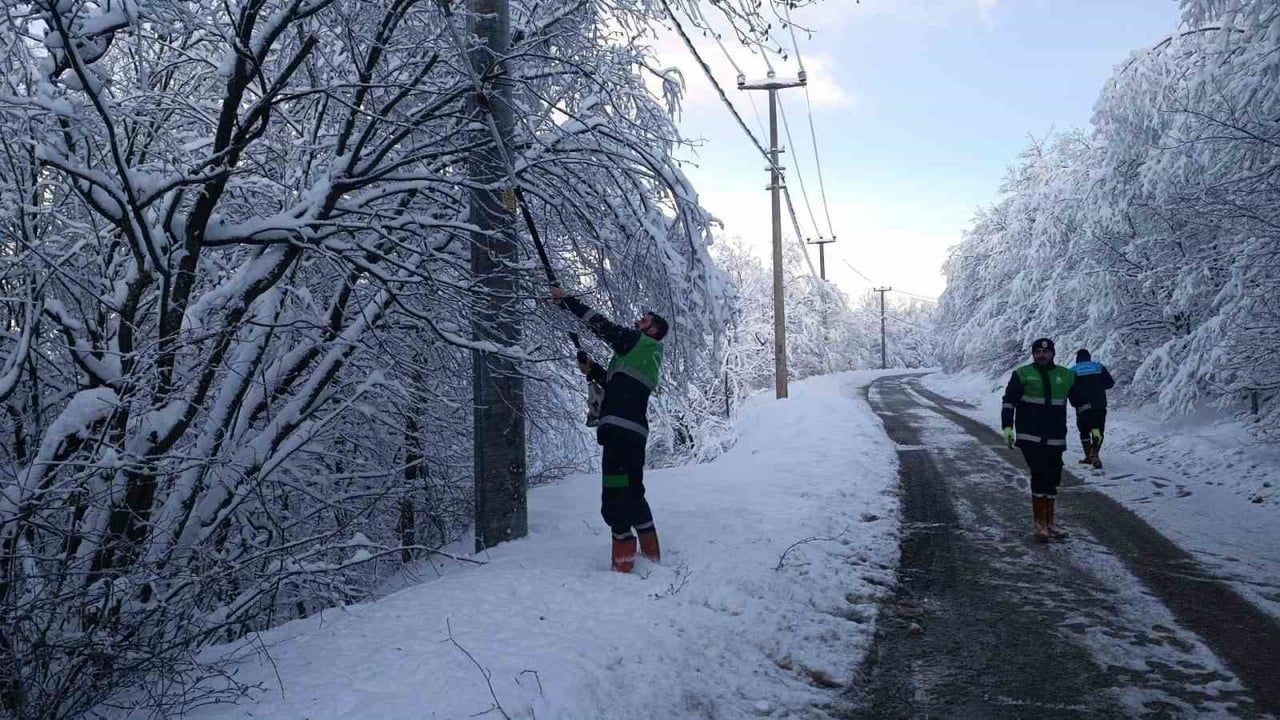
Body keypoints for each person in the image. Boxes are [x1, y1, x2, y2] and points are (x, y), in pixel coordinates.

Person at [551, 286, 669, 572]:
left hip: (618, 432)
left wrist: (568, 302)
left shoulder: (638, 343)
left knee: (614, 496)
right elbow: (617, 386)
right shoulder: (647, 356)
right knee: (633, 491)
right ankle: (651, 554)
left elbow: (601, 326)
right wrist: (592, 369)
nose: (637, 322)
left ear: (652, 331)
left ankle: (623, 564)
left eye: (644, 321)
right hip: (635, 433)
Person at [1000, 338, 1081, 543]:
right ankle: (1040, 524)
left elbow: (1081, 402)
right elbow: (1009, 402)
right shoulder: (1022, 374)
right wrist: (1007, 427)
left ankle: (1050, 523)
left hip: (1055, 436)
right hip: (1030, 436)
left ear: (1052, 353)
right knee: (1040, 474)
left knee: (1053, 478)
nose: (1041, 355)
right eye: (1037, 352)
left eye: (1045, 352)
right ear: (1033, 354)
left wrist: (1094, 426)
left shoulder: (1066, 375)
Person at [1069, 349, 1115, 469]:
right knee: (1097, 430)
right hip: (1098, 406)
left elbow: (1068, 388)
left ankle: (1088, 456)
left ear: (1077, 358)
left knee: (1084, 431)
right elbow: (1110, 383)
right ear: (1089, 357)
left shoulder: (1073, 370)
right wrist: (1097, 387)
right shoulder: (1098, 367)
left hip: (1082, 407)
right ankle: (1094, 452)